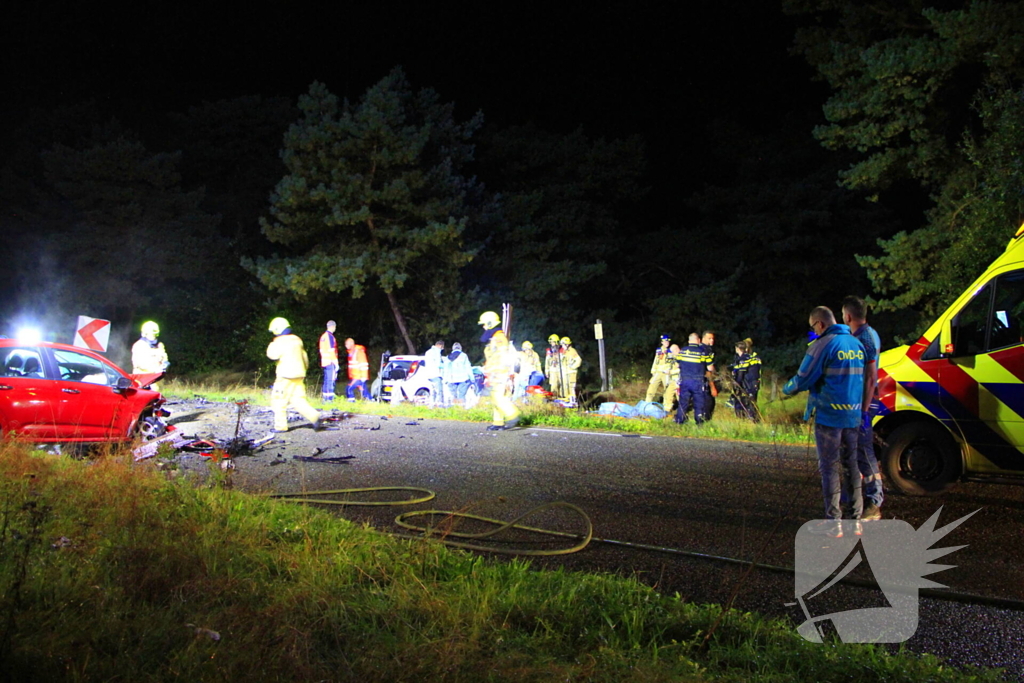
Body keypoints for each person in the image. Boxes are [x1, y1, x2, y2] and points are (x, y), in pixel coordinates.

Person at [782, 306, 866, 537]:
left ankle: (834, 523)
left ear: (819, 324)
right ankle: (856, 520)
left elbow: (803, 378)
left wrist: (786, 389)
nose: (814, 332)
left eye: (813, 327)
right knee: (852, 466)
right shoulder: (856, 344)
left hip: (830, 416)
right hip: (853, 416)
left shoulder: (823, 345)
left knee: (829, 468)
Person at [842, 295, 884, 521]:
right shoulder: (867, 334)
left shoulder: (864, 338)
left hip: (862, 405)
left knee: (864, 453)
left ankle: (874, 502)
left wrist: (863, 411)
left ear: (848, 316)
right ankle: (852, 500)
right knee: (852, 453)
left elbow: (869, 377)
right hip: (857, 404)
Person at [266, 317, 323, 433]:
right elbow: (305, 358)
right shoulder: (297, 340)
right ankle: (314, 416)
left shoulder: (279, 342)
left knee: (278, 400)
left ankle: (280, 426)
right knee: (298, 400)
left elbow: (272, 355)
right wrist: (304, 370)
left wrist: (272, 344)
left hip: (285, 376)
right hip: (299, 374)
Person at [479, 311, 520, 430]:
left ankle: (513, 415)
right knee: (494, 396)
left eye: (484, 324)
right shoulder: (494, 338)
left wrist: (497, 371)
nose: (483, 327)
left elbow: (501, 357)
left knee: (497, 396)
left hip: (499, 372)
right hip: (494, 372)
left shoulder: (499, 338)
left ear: (490, 323)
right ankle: (498, 422)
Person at [675, 333, 708, 425]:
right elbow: (709, 367)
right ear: (699, 340)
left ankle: (679, 420)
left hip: (685, 379)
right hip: (697, 380)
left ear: (689, 341)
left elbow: (677, 364)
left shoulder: (683, 351)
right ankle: (699, 422)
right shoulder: (702, 352)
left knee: (683, 402)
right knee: (699, 402)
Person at [131, 321, 169, 391]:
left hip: (156, 380)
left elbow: (164, 358)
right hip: (143, 380)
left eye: (155, 335)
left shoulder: (160, 345)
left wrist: (165, 365)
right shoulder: (139, 345)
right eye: (152, 334)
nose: (153, 337)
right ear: (145, 334)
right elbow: (139, 364)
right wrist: (154, 370)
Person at [731, 339, 761, 421]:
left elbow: (741, 372)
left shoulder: (745, 358)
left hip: (748, 383)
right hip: (753, 383)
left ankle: (751, 419)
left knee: (748, 403)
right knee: (750, 402)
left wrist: (737, 384)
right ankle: (750, 419)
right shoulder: (754, 357)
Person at [646, 335, 678, 410]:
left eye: (668, 341)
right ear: (662, 342)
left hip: (667, 373)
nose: (667, 342)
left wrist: (672, 372)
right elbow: (656, 361)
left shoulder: (671, 350)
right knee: (652, 386)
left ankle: (666, 407)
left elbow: (675, 362)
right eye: (665, 341)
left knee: (667, 389)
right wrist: (653, 370)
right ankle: (647, 403)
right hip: (658, 372)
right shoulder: (659, 350)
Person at [319, 321, 339, 403]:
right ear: (333, 326)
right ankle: (329, 399)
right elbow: (331, 350)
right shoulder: (330, 336)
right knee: (331, 380)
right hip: (330, 362)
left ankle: (325, 398)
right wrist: (336, 363)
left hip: (325, 361)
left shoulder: (323, 336)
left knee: (326, 380)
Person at [423, 340, 447, 407]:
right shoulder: (436, 352)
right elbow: (438, 364)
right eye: (442, 347)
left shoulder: (428, 352)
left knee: (432, 392)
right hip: (436, 374)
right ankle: (439, 406)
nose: (442, 349)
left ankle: (431, 405)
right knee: (439, 391)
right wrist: (446, 365)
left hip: (429, 375)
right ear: (440, 346)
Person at [345, 337, 369, 402]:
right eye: (345, 344)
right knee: (364, 390)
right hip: (355, 376)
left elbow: (364, 365)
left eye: (347, 344)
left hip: (358, 376)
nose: (346, 345)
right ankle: (370, 400)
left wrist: (363, 377)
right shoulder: (351, 352)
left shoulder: (358, 352)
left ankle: (351, 401)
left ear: (352, 343)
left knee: (349, 388)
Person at [559, 336, 582, 404]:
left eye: (563, 344)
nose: (562, 346)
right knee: (565, 387)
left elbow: (578, 360)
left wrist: (572, 367)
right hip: (565, 373)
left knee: (571, 387)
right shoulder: (563, 351)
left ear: (567, 344)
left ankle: (573, 402)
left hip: (571, 373)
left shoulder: (572, 351)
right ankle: (566, 401)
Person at [700, 330, 717, 421]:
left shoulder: (708, 349)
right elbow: (709, 369)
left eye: (712, 339)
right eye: (709, 338)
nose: (711, 341)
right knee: (708, 402)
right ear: (703, 338)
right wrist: (712, 386)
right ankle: (704, 420)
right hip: (704, 379)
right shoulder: (704, 350)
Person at [545, 334, 563, 398]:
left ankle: (562, 397)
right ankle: (554, 398)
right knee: (553, 385)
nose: (552, 343)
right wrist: (547, 371)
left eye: (553, 342)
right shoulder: (549, 350)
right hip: (552, 370)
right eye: (551, 342)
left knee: (562, 385)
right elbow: (547, 361)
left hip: (561, 370)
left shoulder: (562, 349)